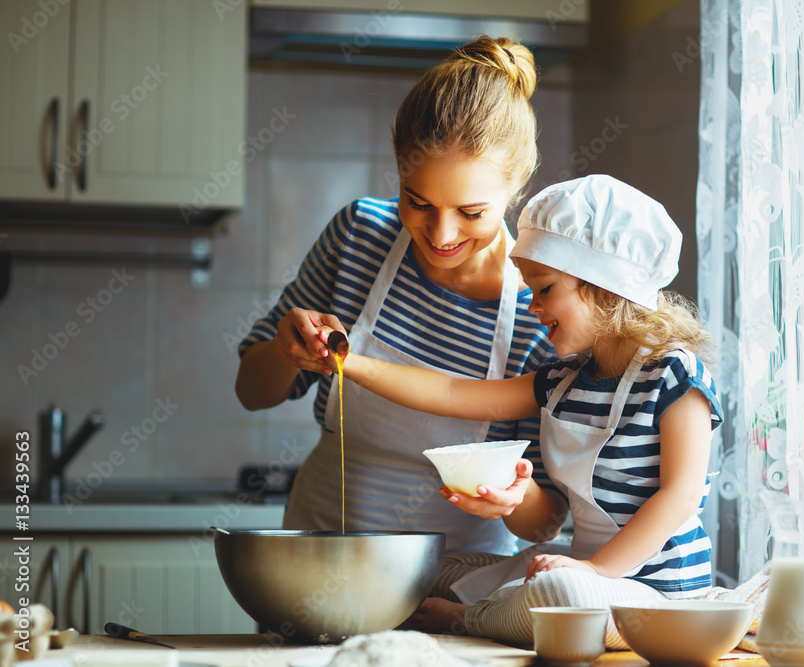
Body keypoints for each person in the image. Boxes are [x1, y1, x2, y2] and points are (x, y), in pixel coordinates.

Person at [334, 175, 724, 648]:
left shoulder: (675, 376)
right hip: (583, 572)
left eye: (544, 289)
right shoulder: (562, 380)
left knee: (563, 591)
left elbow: (680, 496)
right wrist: (347, 362)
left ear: (601, 284)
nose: (533, 306)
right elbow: (455, 392)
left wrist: (596, 570)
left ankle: (467, 618)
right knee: (438, 565)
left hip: (657, 597)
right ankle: (498, 606)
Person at [234, 36, 561, 564]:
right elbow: (252, 392)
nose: (440, 233)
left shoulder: (539, 306)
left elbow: (546, 519)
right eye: (419, 201)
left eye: (472, 213)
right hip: (318, 558)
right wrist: (282, 351)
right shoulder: (360, 236)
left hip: (453, 589)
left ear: (516, 186)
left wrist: (513, 498)